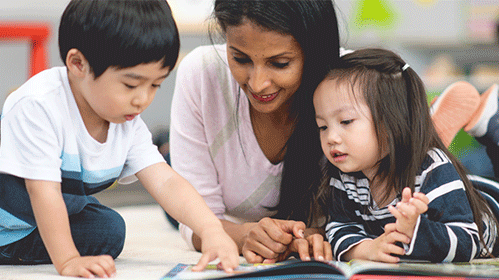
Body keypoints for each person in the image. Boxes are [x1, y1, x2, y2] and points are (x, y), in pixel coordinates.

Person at [0, 0, 239, 278]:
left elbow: (165, 180)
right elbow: (43, 192)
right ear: (78, 64)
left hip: (42, 214)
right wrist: (67, 260)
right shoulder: (38, 104)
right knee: (71, 222)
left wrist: (212, 229)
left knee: (109, 231)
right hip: (12, 211)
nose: (142, 100)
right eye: (130, 85)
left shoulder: (125, 120)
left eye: (155, 85)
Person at [170, 0, 342, 263]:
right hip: (211, 198)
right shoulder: (202, 73)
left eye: (280, 63)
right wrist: (242, 235)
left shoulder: (351, 87)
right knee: (167, 190)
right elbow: (196, 221)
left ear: (313, 52)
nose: (258, 84)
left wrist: (317, 233)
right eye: (240, 58)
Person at [316, 48, 499, 263]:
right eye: (322, 126)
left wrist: (417, 231)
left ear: (392, 121)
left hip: (486, 210)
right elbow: (339, 227)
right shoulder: (345, 174)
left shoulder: (432, 166)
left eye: (346, 121)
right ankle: (432, 128)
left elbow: (469, 240)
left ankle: (492, 126)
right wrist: (366, 249)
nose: (331, 137)